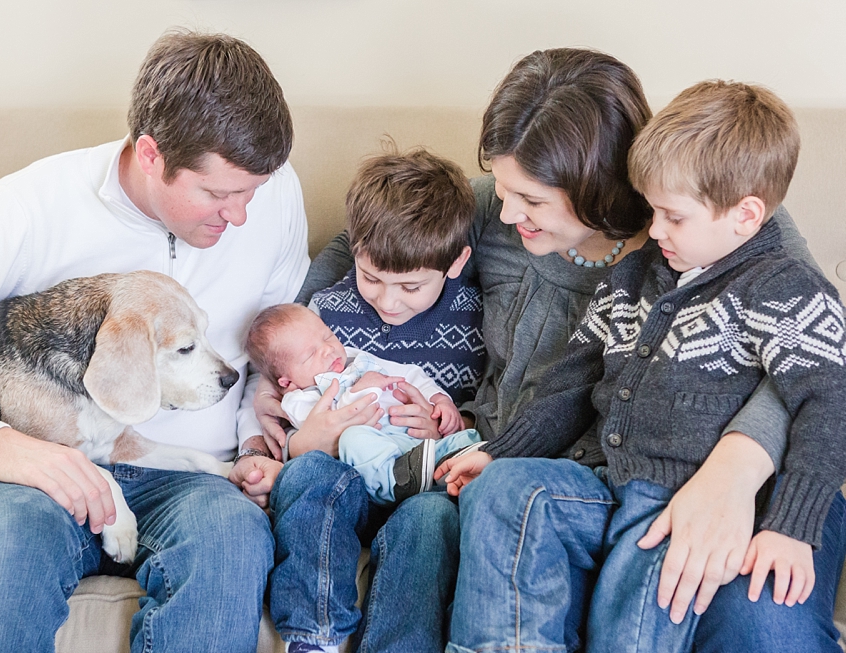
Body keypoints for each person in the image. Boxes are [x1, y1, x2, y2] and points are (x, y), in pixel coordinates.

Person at [258, 49, 845, 653]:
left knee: (763, 618)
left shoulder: (719, 227)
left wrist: (732, 474)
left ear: (598, 186)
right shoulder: (497, 210)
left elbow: (824, 365)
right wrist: (282, 358)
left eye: (533, 201)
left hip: (733, 475)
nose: (508, 212)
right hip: (555, 480)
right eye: (505, 190)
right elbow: (364, 243)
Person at [0, 30, 308, 653]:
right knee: (10, 546)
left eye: (251, 194)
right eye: (216, 194)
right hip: (29, 479)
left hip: (192, 480)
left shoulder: (275, 193)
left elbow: (277, 327)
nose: (239, 216)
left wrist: (261, 410)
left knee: (234, 538)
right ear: (150, 154)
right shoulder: (27, 208)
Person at [439, 79, 846, 653]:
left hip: (682, 496)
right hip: (611, 485)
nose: (652, 232)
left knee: (642, 610)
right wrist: (497, 452)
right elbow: (570, 383)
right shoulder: (634, 278)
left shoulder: (783, 287)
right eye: (652, 211)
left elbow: (830, 400)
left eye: (671, 217)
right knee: (507, 491)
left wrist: (790, 524)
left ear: (745, 217)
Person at [263, 149, 485, 652]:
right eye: (372, 278)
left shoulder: (475, 319)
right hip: (346, 478)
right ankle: (313, 636)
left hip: (420, 485)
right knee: (308, 477)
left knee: (431, 521)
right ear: (354, 248)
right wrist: (306, 443)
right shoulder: (327, 313)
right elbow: (289, 400)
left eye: (410, 285)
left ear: (455, 263)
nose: (388, 302)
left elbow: (484, 406)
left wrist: (449, 421)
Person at [246, 302, 482, 504]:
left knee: (456, 439)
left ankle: (454, 454)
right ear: (286, 381)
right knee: (353, 438)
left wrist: (438, 399)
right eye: (310, 355)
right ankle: (392, 484)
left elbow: (409, 374)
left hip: (406, 438)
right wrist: (360, 390)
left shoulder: (356, 358)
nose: (328, 350)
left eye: (327, 336)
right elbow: (332, 424)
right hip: (371, 456)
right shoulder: (298, 400)